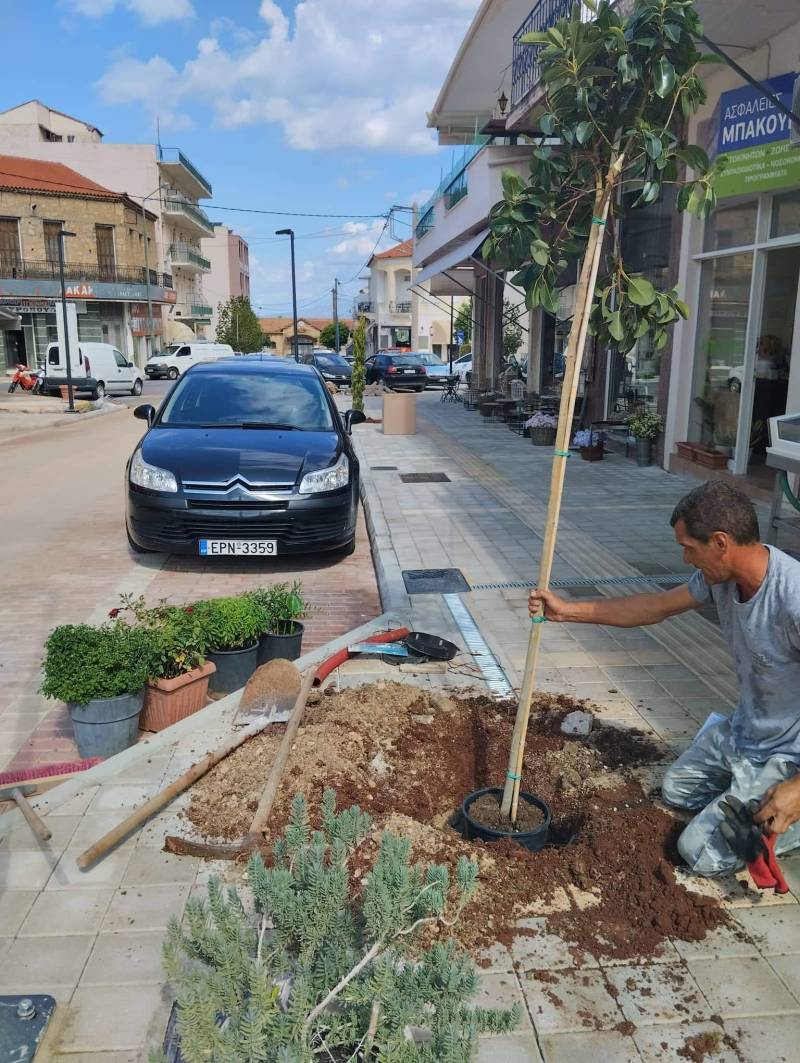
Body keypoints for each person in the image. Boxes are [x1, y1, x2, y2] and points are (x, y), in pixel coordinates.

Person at [528, 480, 800, 877]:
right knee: (678, 789)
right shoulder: (720, 580)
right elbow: (653, 606)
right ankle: (750, 785)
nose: (687, 559)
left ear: (721, 542)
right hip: (747, 733)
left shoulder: (793, 597)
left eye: (689, 547)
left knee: (700, 852)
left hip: (789, 752)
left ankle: (784, 802)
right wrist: (568, 611)